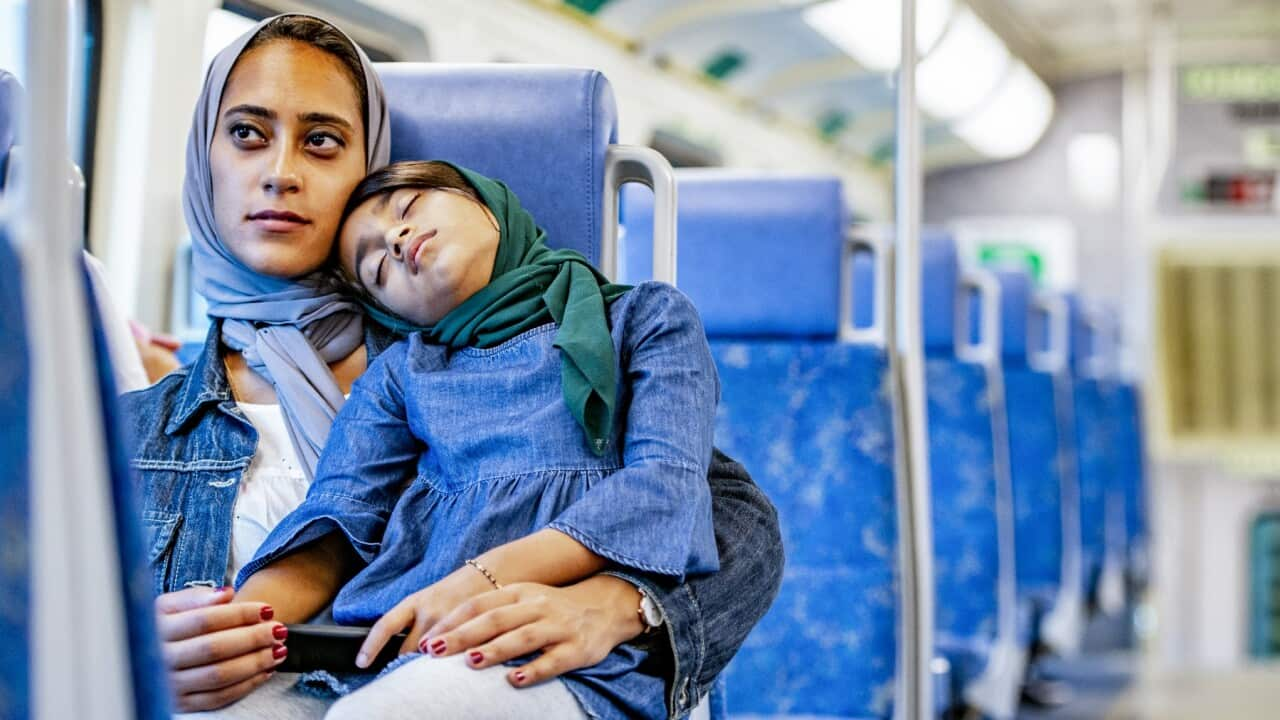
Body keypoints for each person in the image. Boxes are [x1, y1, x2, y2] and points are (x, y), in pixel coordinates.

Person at [118, 13, 782, 717]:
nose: (280, 174)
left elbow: (725, 520)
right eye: (246, 134)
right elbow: (337, 518)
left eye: (321, 142)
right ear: (203, 158)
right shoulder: (133, 424)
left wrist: (619, 606)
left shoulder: (565, 336)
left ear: (366, 168)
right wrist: (131, 647)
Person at [235, 159, 720, 720]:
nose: (394, 240)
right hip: (403, 639)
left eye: (408, 206)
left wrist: (478, 581)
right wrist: (236, 627)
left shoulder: (643, 317)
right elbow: (341, 513)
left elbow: (666, 489)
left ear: (487, 202)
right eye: (373, 268)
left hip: (592, 651)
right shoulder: (401, 374)